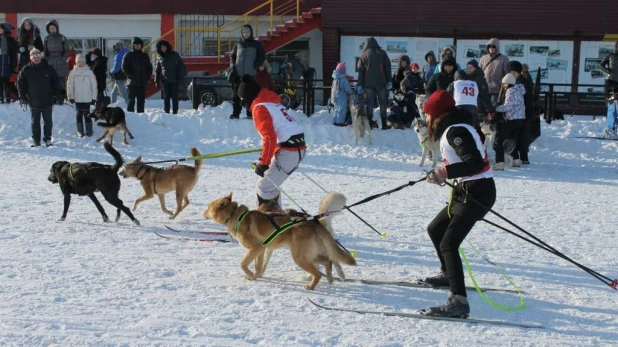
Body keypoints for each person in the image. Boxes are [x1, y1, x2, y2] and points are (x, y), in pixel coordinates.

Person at [420, 89, 496, 318]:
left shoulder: (456, 131)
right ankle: (447, 273)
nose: (426, 120)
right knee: (435, 229)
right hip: (466, 190)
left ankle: (459, 302)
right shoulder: (456, 128)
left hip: (477, 192)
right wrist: (445, 173)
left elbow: (473, 164)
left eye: (427, 115)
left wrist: (444, 172)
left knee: (448, 244)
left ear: (436, 115)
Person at [236, 75, 306, 207]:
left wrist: (263, 163)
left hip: (290, 151)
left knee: (264, 188)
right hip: (294, 147)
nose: (242, 104)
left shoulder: (259, 108)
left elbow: (269, 137)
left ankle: (273, 224)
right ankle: (274, 222)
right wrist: (267, 156)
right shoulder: (272, 103)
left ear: (248, 98)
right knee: (269, 186)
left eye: (242, 100)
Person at [17, 49, 60, 147]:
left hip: (48, 100)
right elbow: (20, 84)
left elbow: (56, 83)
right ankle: (36, 140)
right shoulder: (26, 69)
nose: (36, 59)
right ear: (31, 58)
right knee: (35, 122)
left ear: (41, 57)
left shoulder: (49, 69)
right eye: (34, 57)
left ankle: (47, 139)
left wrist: (56, 95)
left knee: (48, 121)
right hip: (33, 100)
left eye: (37, 56)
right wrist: (22, 96)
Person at [228, 24, 265, 119]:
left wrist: (255, 66)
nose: (246, 34)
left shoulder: (256, 44)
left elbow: (262, 56)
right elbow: (232, 56)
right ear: (242, 33)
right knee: (236, 94)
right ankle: (236, 113)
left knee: (250, 95)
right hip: (238, 75)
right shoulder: (238, 44)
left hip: (250, 75)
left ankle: (250, 113)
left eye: (247, 32)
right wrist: (233, 66)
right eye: (244, 32)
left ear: (251, 33)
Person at [357, 37, 392, 130]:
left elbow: (361, 73)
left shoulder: (363, 56)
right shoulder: (382, 53)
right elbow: (388, 68)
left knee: (370, 104)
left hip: (368, 84)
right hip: (381, 82)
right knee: (383, 103)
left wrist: (360, 85)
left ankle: (369, 122)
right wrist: (389, 81)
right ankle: (384, 124)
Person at [493, 73, 526, 170]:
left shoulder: (510, 91)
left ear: (509, 84)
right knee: (512, 139)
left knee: (498, 140)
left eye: (504, 84)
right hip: (520, 120)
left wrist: (496, 109)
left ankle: (500, 163)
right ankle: (516, 160)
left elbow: (508, 106)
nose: (503, 86)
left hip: (512, 119)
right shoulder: (519, 90)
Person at [67, 54, 97, 138]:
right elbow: (69, 85)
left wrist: (94, 98)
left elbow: (94, 86)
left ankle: (89, 130)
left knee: (87, 113)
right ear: (76, 62)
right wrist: (70, 96)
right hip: (77, 97)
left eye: (82, 62)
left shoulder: (90, 72)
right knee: (79, 113)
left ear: (85, 62)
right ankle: (80, 131)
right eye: (79, 62)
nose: (80, 63)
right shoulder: (72, 72)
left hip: (87, 97)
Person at [122, 37, 153, 113]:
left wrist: (147, 77)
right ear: (133, 46)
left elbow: (149, 67)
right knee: (131, 100)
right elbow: (124, 67)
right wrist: (130, 75)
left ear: (141, 45)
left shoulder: (145, 55)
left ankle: (141, 115)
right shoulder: (128, 55)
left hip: (142, 82)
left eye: (139, 44)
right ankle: (130, 115)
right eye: (135, 45)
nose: (137, 46)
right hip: (132, 82)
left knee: (141, 100)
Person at [155, 39, 187, 114]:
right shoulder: (159, 57)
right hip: (165, 80)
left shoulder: (174, 54)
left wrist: (180, 77)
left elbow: (180, 66)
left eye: (164, 47)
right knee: (166, 96)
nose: (163, 49)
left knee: (174, 96)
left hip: (174, 79)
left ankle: (175, 111)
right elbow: (158, 69)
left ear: (167, 47)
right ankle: (166, 111)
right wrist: (156, 80)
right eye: (161, 47)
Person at [43, 20, 70, 104]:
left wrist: (63, 58)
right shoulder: (46, 38)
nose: (52, 29)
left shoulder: (62, 37)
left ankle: (61, 98)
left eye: (53, 27)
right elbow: (45, 51)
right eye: (50, 28)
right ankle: (53, 98)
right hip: (51, 62)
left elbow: (67, 50)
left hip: (61, 62)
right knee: (52, 82)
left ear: (57, 28)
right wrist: (47, 59)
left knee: (61, 82)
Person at [479, 38, 510, 104]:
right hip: (484, 88)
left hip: (496, 89)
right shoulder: (483, 58)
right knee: (484, 108)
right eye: (489, 46)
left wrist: (500, 82)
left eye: (493, 46)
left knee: (494, 108)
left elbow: (507, 73)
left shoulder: (504, 58)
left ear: (497, 47)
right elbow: (479, 72)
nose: (491, 48)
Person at [0, 23, 18, 104]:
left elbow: (14, 53)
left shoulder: (10, 39)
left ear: (5, 29)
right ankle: (1, 97)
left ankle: (7, 97)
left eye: (1, 28)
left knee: (7, 81)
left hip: (7, 62)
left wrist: (14, 63)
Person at [331, 62, 352, 126]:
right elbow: (347, 88)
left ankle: (334, 121)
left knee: (336, 108)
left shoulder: (335, 78)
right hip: (342, 96)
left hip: (335, 94)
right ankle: (340, 122)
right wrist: (351, 92)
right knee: (342, 109)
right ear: (343, 71)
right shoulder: (343, 79)